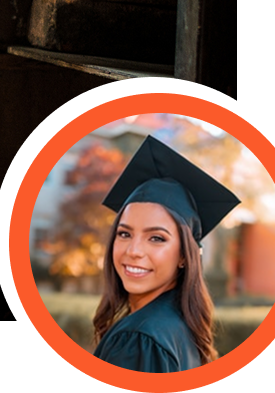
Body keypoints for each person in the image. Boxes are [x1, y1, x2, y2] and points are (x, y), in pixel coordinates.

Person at [92, 135, 240, 371]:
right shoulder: (180, 327)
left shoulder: (139, 339)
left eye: (156, 238)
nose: (134, 251)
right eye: (124, 234)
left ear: (184, 256)